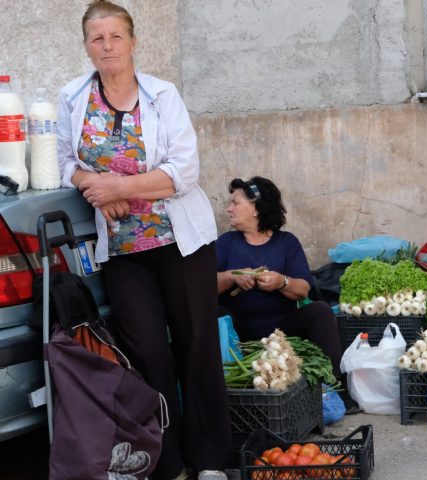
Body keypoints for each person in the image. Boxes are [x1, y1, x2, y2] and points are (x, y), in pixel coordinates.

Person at [57, 2, 230, 478]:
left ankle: (211, 459)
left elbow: (185, 172)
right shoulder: (73, 97)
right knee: (147, 353)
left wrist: (118, 188)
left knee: (197, 346)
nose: (107, 46)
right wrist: (89, 182)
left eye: (116, 36)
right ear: (87, 45)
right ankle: (166, 462)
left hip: (180, 243)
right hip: (123, 251)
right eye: (98, 38)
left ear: (132, 42)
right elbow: (63, 159)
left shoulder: (162, 94)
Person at [216, 176, 359, 413]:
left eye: (235, 202)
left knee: (320, 311)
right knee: (213, 312)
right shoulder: (226, 243)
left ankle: (335, 387)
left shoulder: (287, 243)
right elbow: (204, 285)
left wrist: (281, 281)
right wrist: (233, 276)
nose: (229, 209)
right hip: (238, 334)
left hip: (281, 333)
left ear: (256, 209)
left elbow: (303, 288)